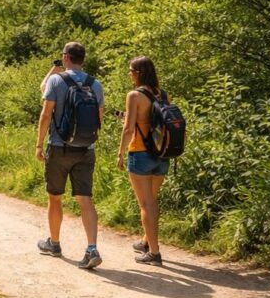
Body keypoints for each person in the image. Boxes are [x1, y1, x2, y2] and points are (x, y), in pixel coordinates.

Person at [35, 42, 105, 270]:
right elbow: (99, 119)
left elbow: (46, 115)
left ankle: (54, 243)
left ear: (65, 57)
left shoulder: (56, 80)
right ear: (83, 59)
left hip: (59, 147)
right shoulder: (95, 84)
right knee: (85, 199)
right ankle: (92, 248)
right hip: (86, 149)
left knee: (54, 196)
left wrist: (38, 144)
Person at [117, 56, 170, 266]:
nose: (129, 74)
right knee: (152, 202)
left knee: (146, 204)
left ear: (138, 73)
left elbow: (129, 128)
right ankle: (146, 242)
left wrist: (120, 152)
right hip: (162, 155)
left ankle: (154, 253)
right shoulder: (163, 94)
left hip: (140, 153)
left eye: (131, 70)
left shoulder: (134, 96)